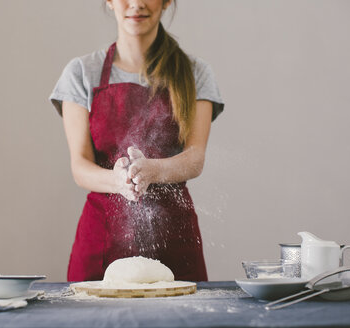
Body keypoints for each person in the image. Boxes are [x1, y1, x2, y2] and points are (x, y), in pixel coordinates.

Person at [49, 0, 224, 282]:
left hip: (174, 238)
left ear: (167, 1)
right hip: (101, 241)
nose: (137, 3)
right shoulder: (81, 73)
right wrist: (118, 182)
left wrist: (154, 171)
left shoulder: (195, 73)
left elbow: (194, 158)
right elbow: (80, 166)